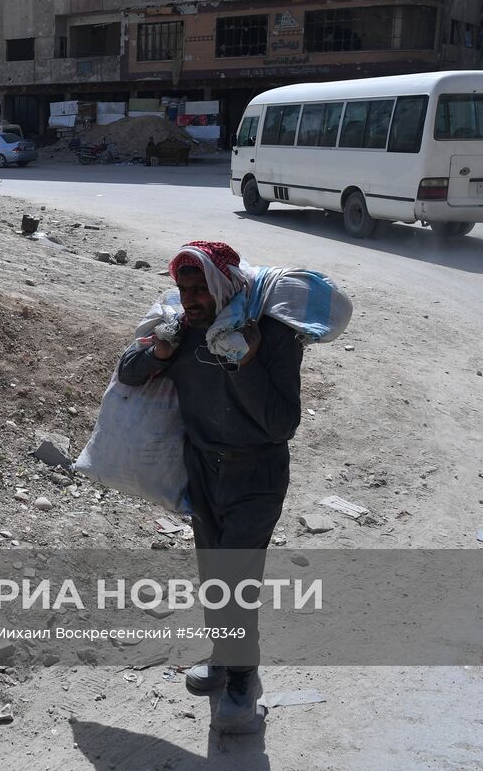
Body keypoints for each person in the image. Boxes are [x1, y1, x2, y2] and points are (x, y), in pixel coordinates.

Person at [118, 240, 304, 734]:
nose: (193, 299)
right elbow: (127, 372)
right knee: (212, 575)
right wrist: (158, 351)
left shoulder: (272, 334)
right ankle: (226, 658)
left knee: (234, 582)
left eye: (201, 288)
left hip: (257, 474)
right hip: (203, 470)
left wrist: (245, 362)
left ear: (224, 285)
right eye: (184, 289)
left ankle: (244, 681)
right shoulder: (181, 330)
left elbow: (282, 423)